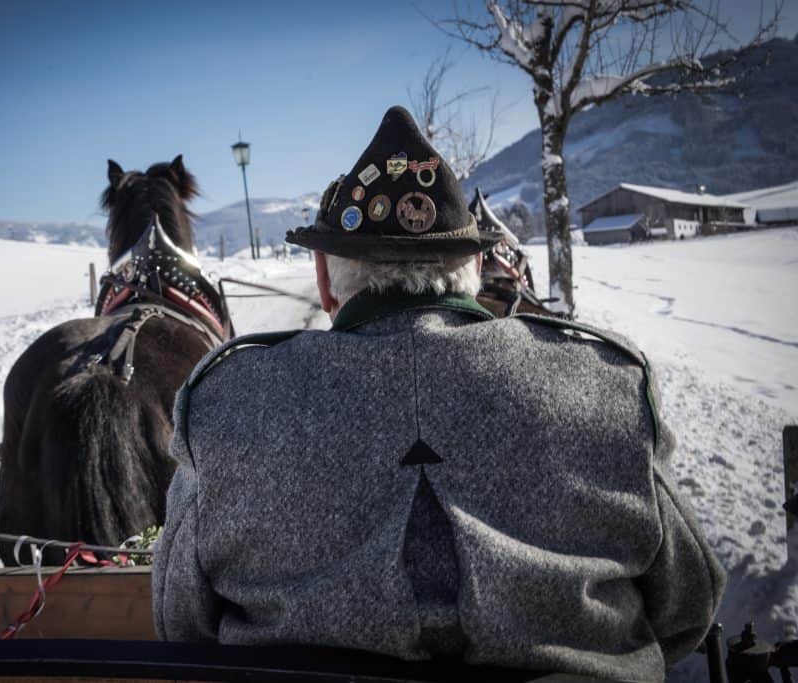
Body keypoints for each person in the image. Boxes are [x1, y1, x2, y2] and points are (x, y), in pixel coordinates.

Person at [152, 105, 725, 681]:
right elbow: (687, 606)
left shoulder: (226, 402)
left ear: (325, 279)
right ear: (476, 265)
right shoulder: (607, 381)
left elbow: (181, 624)